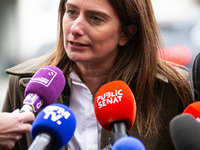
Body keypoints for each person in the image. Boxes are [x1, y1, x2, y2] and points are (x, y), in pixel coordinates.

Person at [2, 0, 194, 149]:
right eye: (71, 12)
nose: (75, 28)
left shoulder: (170, 91)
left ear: (126, 33)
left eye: (95, 18)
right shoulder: (26, 83)